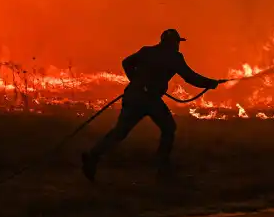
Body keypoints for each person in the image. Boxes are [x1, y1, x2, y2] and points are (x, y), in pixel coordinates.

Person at [82, 29, 223, 181]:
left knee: (120, 132)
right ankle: (162, 168)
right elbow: (190, 77)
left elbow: (126, 62)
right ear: (174, 43)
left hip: (133, 95)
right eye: (177, 42)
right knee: (169, 128)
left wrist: (135, 80)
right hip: (149, 100)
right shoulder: (174, 57)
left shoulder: (147, 51)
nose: (178, 46)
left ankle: (93, 156)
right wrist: (211, 83)